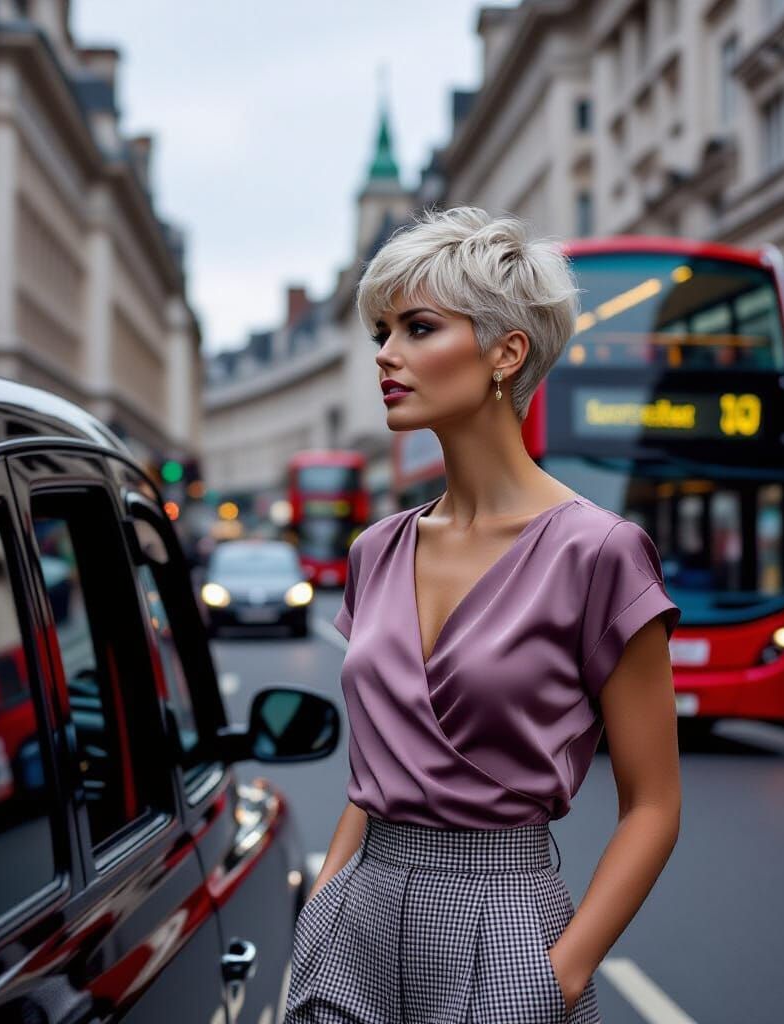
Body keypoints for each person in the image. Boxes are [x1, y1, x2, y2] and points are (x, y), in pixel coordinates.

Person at [284, 207, 681, 1024]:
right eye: (381, 331)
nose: (386, 356)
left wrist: (559, 976)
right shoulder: (375, 550)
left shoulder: (598, 552)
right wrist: (322, 906)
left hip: (502, 927)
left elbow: (654, 804)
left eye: (418, 327)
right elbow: (381, 762)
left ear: (507, 351)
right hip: (351, 926)